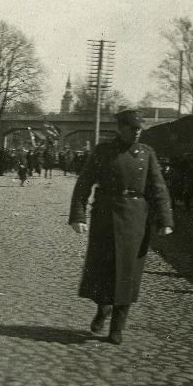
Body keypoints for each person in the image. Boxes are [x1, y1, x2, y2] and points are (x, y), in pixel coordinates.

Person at [69, 109, 174, 345]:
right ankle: (103, 307)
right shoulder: (103, 151)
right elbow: (84, 183)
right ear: (120, 128)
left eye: (139, 129)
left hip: (136, 218)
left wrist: (165, 220)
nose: (136, 133)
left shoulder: (147, 154)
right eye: (131, 129)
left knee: (129, 272)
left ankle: (117, 327)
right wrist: (78, 215)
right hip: (105, 215)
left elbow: (158, 188)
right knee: (103, 269)